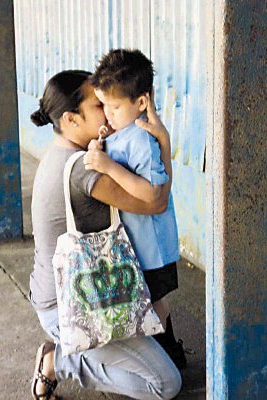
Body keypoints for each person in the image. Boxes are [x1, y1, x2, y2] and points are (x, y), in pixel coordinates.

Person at [29, 69, 182, 400]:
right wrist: (164, 141)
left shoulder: (58, 152)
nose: (109, 111)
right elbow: (155, 201)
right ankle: (60, 359)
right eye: (99, 105)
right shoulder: (85, 167)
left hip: (57, 292)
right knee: (165, 385)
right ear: (71, 119)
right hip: (73, 309)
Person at [84, 49, 186, 367]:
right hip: (137, 245)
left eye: (114, 107)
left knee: (153, 305)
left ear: (141, 103)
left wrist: (109, 167)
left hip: (151, 247)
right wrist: (104, 142)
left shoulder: (142, 139)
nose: (108, 114)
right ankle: (171, 356)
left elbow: (153, 193)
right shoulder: (123, 132)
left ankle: (168, 359)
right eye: (104, 106)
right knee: (151, 303)